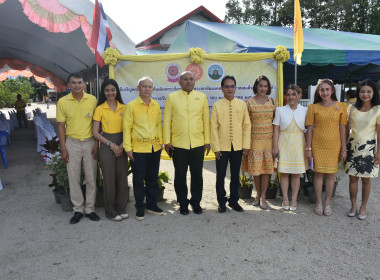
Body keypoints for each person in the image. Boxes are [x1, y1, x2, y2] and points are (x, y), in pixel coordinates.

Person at [163, 71, 211, 215]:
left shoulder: (201, 97)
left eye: (191, 79)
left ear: (195, 82)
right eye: (185, 79)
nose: (188, 81)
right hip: (178, 144)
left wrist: (207, 141)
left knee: (197, 174)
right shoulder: (172, 97)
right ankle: (182, 203)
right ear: (179, 82)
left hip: (197, 143)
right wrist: (166, 141)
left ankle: (196, 202)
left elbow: (206, 121)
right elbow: (166, 121)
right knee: (180, 174)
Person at [56, 72, 99, 224]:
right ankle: (78, 210)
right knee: (73, 177)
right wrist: (63, 147)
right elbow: (61, 125)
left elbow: (97, 124)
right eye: (73, 83)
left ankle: (90, 209)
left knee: (91, 177)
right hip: (72, 143)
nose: (77, 85)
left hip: (89, 142)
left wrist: (96, 144)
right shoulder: (62, 102)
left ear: (84, 84)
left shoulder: (93, 100)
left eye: (80, 82)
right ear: (68, 85)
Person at [123, 77, 164, 221]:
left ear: (153, 89)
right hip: (138, 149)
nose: (147, 89)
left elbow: (159, 125)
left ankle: (151, 205)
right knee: (139, 180)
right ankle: (140, 207)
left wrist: (161, 142)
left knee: (152, 179)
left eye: (150, 86)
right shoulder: (131, 106)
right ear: (138, 88)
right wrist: (128, 148)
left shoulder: (155, 105)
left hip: (155, 148)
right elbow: (126, 128)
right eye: (144, 86)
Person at [306, 79, 347, 216]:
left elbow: (343, 128)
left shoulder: (341, 106)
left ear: (332, 90)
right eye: (322, 90)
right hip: (317, 145)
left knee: (330, 174)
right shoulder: (313, 107)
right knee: (318, 173)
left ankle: (327, 203)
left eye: (327, 89)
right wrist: (309, 148)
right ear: (318, 91)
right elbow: (309, 130)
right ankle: (318, 202)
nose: (324, 92)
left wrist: (344, 148)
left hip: (334, 144)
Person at [211, 75, 251, 213]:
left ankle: (234, 201)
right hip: (222, 147)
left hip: (238, 146)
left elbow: (246, 125)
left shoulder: (242, 104)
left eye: (232, 86)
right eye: (227, 86)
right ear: (222, 88)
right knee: (220, 175)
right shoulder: (217, 105)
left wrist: (246, 145)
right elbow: (214, 128)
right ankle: (221, 202)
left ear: (235, 88)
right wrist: (215, 147)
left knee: (235, 175)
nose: (230, 88)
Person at [93, 79, 129, 222]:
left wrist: (121, 145)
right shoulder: (100, 108)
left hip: (122, 143)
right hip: (106, 144)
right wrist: (112, 145)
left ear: (117, 91)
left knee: (122, 178)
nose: (110, 93)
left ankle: (121, 208)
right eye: (107, 90)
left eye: (112, 90)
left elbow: (128, 128)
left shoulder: (124, 108)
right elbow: (96, 132)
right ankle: (111, 211)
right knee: (109, 179)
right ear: (103, 92)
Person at [344, 79, 380, 220]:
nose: (365, 94)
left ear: (373, 93)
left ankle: (363, 207)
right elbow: (346, 130)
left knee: (366, 181)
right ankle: (353, 205)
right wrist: (344, 149)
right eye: (362, 91)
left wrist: (379, 152)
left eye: (368, 91)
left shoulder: (377, 110)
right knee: (352, 179)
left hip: (369, 149)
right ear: (358, 93)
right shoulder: (351, 108)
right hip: (352, 148)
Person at [242, 75, 277, 210]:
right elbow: (245, 124)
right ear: (256, 86)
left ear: (268, 88)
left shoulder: (274, 102)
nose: (263, 88)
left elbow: (277, 123)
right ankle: (257, 194)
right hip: (254, 140)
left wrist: (276, 144)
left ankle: (263, 196)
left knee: (267, 171)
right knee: (257, 170)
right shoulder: (248, 103)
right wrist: (245, 144)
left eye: (265, 86)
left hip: (269, 140)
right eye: (260, 85)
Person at [272, 84, 308, 211]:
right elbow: (276, 130)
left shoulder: (305, 110)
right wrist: (275, 147)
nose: (291, 97)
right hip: (284, 142)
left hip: (299, 143)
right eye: (289, 94)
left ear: (299, 95)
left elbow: (308, 130)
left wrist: (308, 147)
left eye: (294, 94)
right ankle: (285, 198)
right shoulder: (280, 110)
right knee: (284, 173)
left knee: (296, 174)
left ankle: (294, 199)